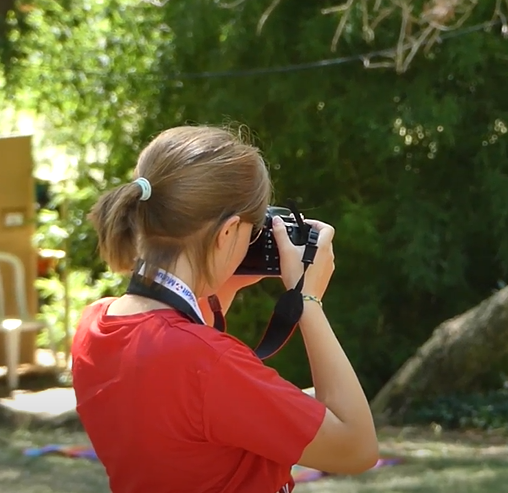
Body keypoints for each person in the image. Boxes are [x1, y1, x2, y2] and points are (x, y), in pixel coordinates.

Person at [71, 125, 378, 493]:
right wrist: (307, 300)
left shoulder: (96, 325)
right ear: (227, 233)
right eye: (252, 231)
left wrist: (223, 281)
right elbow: (357, 448)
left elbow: (187, 416)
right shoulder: (207, 364)